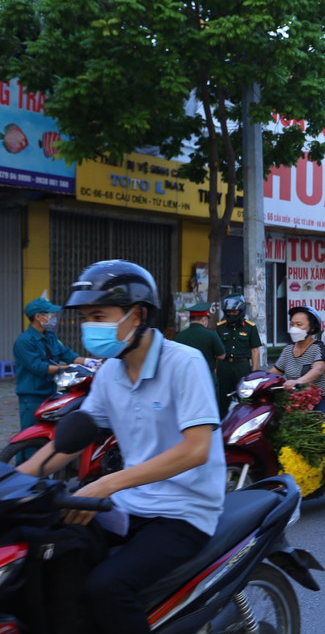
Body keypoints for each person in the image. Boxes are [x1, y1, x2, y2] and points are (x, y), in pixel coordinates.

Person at [19, 260, 225, 633]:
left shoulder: (185, 363)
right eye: (85, 317)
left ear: (138, 315)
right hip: (130, 504)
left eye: (99, 315)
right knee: (52, 557)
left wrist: (107, 484)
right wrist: (13, 482)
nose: (89, 327)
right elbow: (68, 442)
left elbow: (196, 450)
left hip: (184, 512)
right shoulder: (110, 372)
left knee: (108, 587)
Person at [13, 297, 87, 431]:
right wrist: (67, 368)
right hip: (32, 396)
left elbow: (68, 354)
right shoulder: (24, 341)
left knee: (47, 432)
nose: (53, 317)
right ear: (38, 317)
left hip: (50, 393)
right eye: (49, 314)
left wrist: (89, 362)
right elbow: (39, 367)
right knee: (30, 434)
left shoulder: (51, 337)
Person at [269, 305, 325, 416]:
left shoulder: (319, 347)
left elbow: (319, 369)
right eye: (292, 324)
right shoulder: (288, 350)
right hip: (295, 398)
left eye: (299, 325)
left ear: (312, 328)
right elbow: (273, 373)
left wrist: (298, 381)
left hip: (321, 397)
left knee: (318, 424)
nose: (294, 328)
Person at [215, 295, 261, 416]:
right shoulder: (220, 327)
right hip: (224, 366)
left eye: (234, 311)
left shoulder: (250, 327)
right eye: (228, 312)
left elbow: (255, 350)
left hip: (242, 366)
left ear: (241, 311)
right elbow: (216, 351)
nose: (231, 314)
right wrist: (215, 370)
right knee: (222, 400)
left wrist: (254, 372)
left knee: (246, 399)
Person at [174, 302, 225, 389]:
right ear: (204, 319)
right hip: (207, 377)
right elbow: (222, 356)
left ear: (190, 319)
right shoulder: (211, 335)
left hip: (186, 378)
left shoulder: (179, 336)